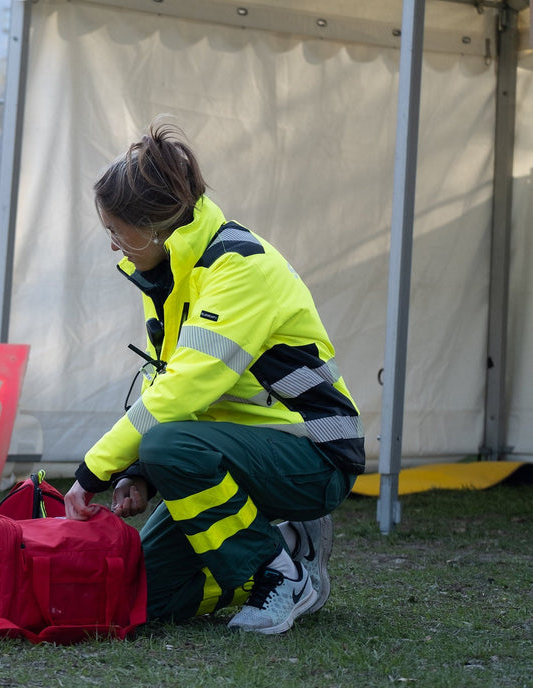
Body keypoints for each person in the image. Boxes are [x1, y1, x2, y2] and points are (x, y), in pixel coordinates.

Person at [63, 119, 365, 635]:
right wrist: (138, 473)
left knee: (167, 445)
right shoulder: (172, 273)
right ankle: (288, 548)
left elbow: (184, 389)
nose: (114, 245)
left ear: (155, 227)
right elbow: (178, 391)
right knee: (143, 596)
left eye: (117, 231)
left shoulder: (238, 267)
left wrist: (96, 471)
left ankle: (280, 576)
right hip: (242, 450)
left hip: (315, 452)